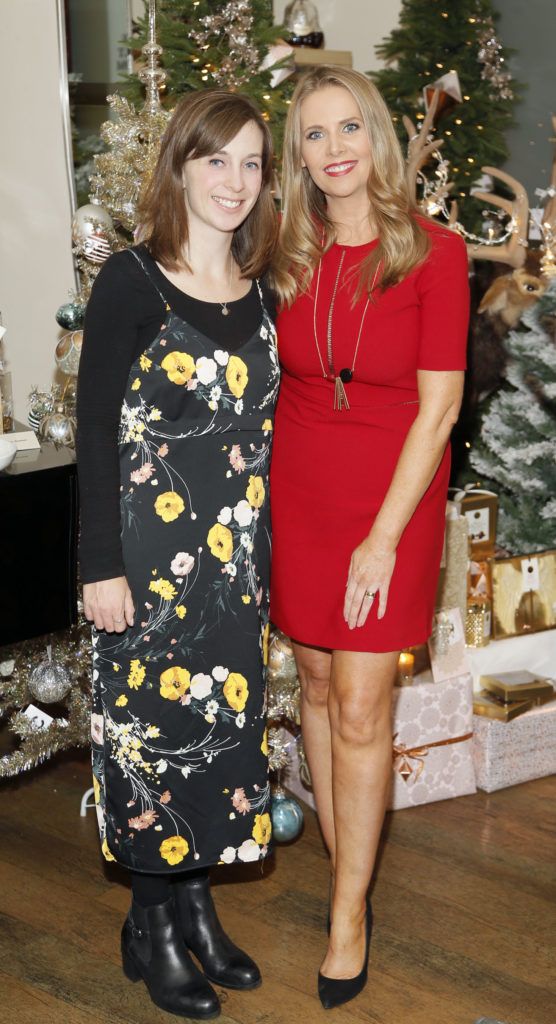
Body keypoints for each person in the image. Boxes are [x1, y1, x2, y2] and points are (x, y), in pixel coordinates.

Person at [76, 89, 279, 1020]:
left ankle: (195, 904)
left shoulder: (265, 289)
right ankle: (151, 922)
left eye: (252, 163)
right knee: (152, 746)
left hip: (235, 571)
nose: (235, 182)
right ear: (181, 166)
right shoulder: (130, 282)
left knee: (217, 741)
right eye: (217, 160)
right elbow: (91, 434)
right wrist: (97, 565)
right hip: (146, 572)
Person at [270, 66, 469, 1010]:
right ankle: (350, 857)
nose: (336, 149)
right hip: (299, 486)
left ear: (377, 137)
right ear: (298, 153)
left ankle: (349, 915)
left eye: (350, 128)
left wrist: (384, 539)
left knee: (359, 701)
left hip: (393, 493)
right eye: (315, 134)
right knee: (311, 678)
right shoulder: (285, 247)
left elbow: (441, 409)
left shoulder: (436, 252)